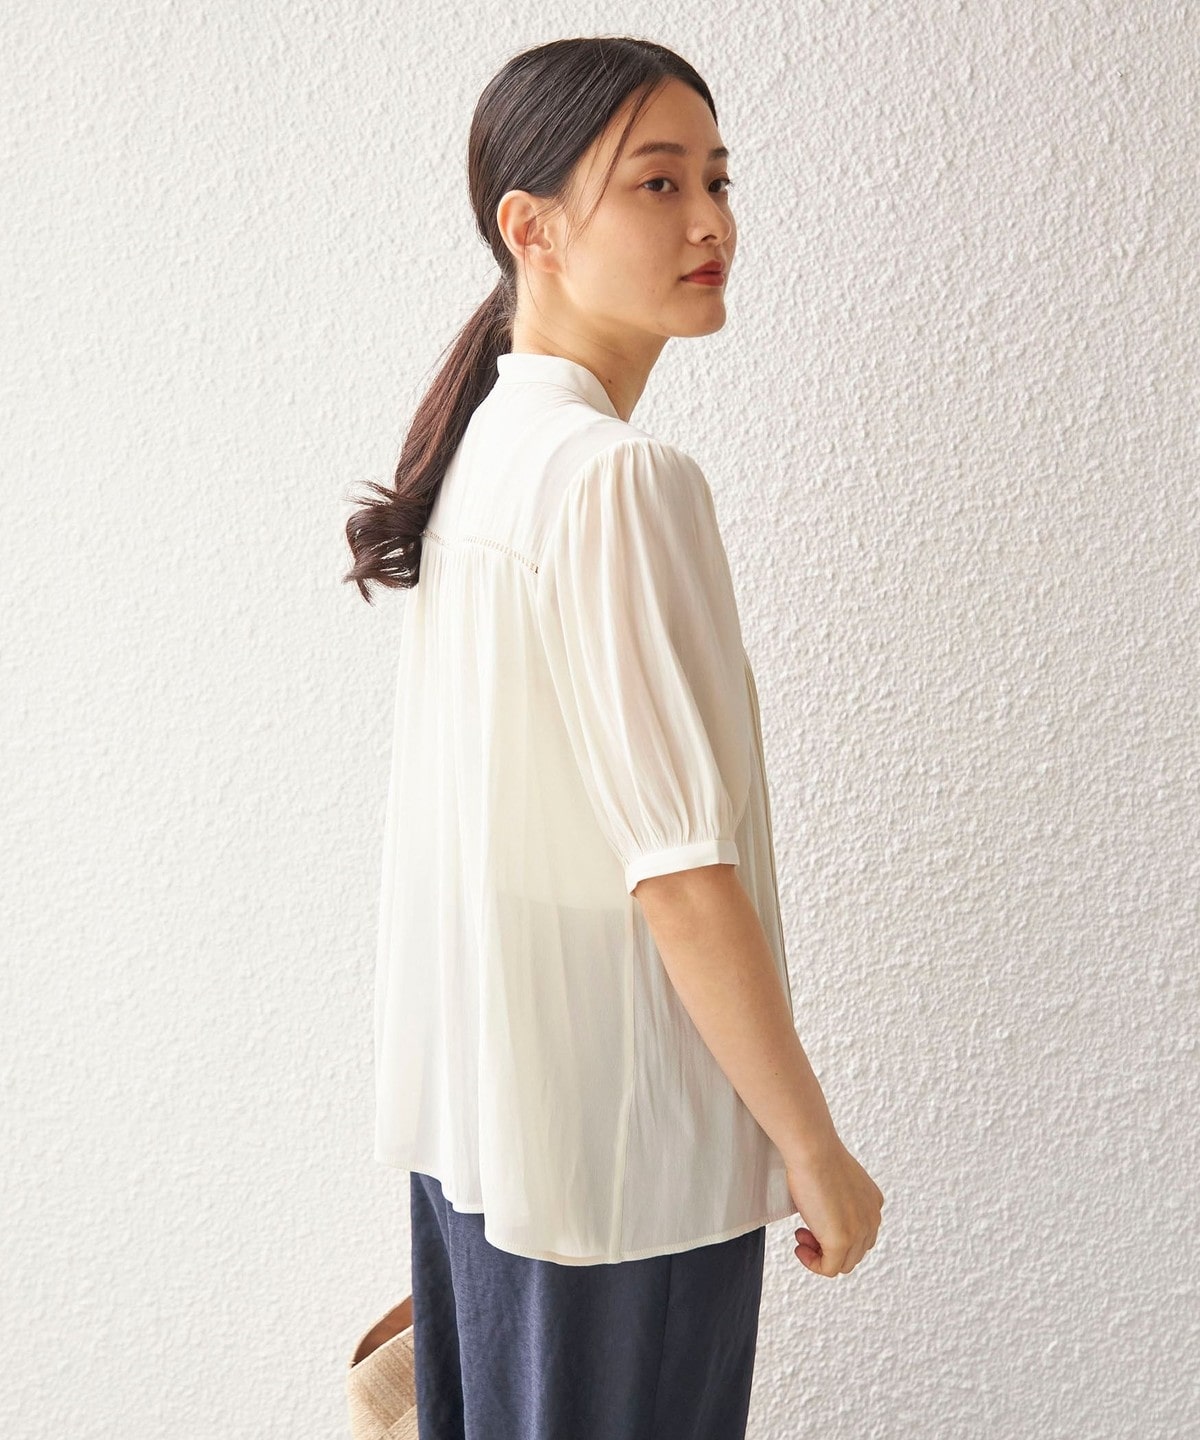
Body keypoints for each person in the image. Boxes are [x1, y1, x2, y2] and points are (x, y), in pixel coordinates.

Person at [343, 35, 884, 1440]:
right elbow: (678, 871)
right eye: (657, 183)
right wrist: (812, 1147)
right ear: (530, 227)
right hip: (624, 1172)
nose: (710, 222)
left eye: (718, 179)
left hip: (500, 1145)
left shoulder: (490, 457)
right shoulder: (617, 478)